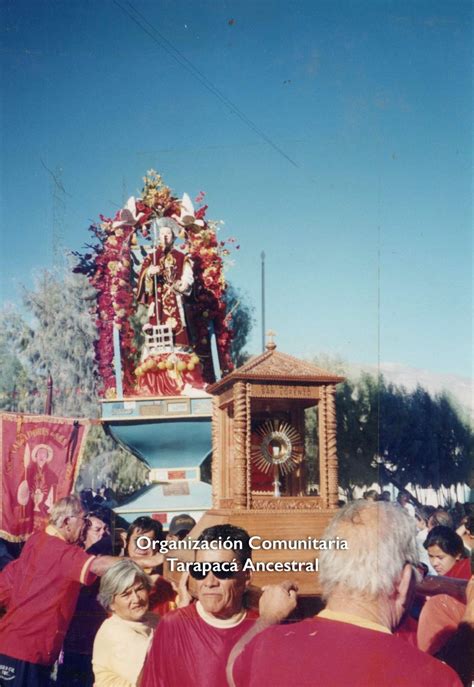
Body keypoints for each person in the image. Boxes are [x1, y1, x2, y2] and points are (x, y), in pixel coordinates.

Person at [230, 501, 462, 687]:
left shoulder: (264, 648)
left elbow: (234, 670)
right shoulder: (433, 678)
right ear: (403, 581)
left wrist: (266, 622)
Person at [0, 496, 163, 687]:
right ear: (67, 522)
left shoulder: (37, 540)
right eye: (84, 520)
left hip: (12, 646)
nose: (85, 526)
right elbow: (99, 565)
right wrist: (147, 562)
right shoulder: (61, 552)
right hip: (29, 651)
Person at [141, 524, 296, 687]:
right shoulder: (174, 625)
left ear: (246, 575)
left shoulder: (268, 622)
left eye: (222, 570)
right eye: (200, 570)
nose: (209, 582)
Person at [56, 508, 113, 687]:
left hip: (101, 641)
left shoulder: (111, 560)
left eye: (105, 529)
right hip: (74, 642)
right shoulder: (73, 560)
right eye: (97, 529)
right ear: (84, 532)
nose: (103, 533)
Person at [92, 560, 159, 687]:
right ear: (111, 603)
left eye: (140, 589)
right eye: (126, 594)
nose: (136, 599)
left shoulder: (153, 619)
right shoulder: (113, 631)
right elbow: (153, 673)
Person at [136, 217, 194, 349]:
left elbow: (188, 274)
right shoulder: (152, 257)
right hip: (158, 300)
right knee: (157, 329)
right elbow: (143, 277)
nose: (165, 237)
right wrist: (150, 272)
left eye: (168, 234)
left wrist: (184, 283)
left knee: (178, 326)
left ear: (173, 237)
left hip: (175, 296)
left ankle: (179, 349)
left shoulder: (181, 257)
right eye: (162, 234)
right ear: (159, 237)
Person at [124, 516, 177, 616]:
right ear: (127, 543)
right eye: (137, 540)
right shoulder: (115, 578)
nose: (142, 545)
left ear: (158, 547)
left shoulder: (168, 583)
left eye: (150, 541)